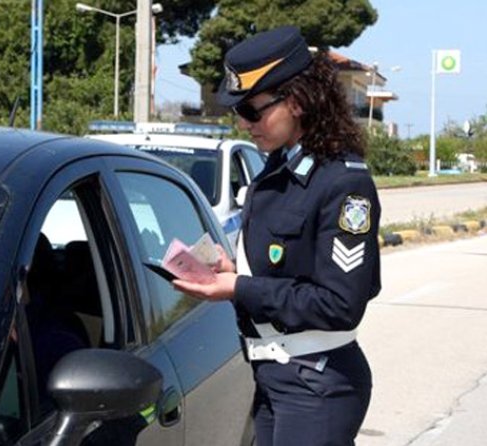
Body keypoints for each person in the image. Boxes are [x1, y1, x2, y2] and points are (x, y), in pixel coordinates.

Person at [173, 26, 381, 446]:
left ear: (299, 101)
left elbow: (340, 304)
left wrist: (239, 288)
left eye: (252, 110)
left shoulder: (342, 183)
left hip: (315, 380)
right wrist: (233, 272)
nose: (243, 123)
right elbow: (287, 268)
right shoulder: (277, 169)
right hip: (274, 374)